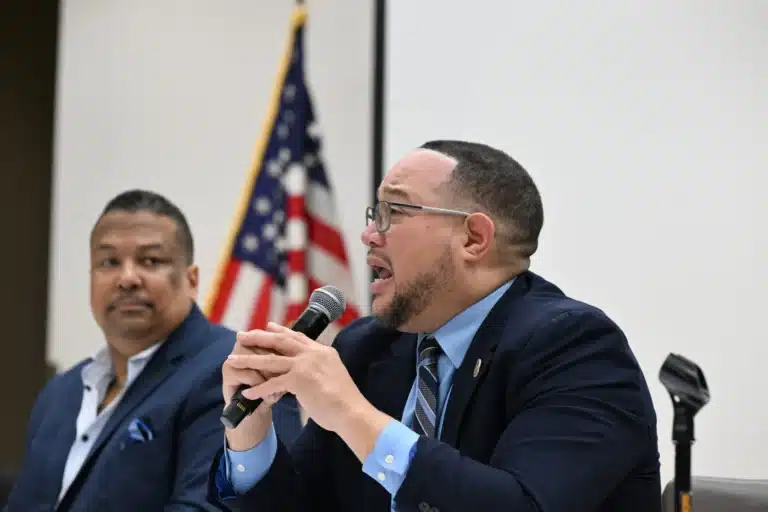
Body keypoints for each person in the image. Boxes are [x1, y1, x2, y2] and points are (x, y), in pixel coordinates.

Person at [209, 141, 662, 511]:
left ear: (473, 238)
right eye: (374, 215)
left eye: (394, 212)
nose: (369, 234)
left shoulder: (575, 348)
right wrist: (250, 427)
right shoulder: (369, 348)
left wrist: (349, 413)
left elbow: (523, 506)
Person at [5, 190, 298, 511]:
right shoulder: (61, 392)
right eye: (109, 262)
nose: (127, 278)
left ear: (191, 280)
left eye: (151, 261)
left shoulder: (235, 371)